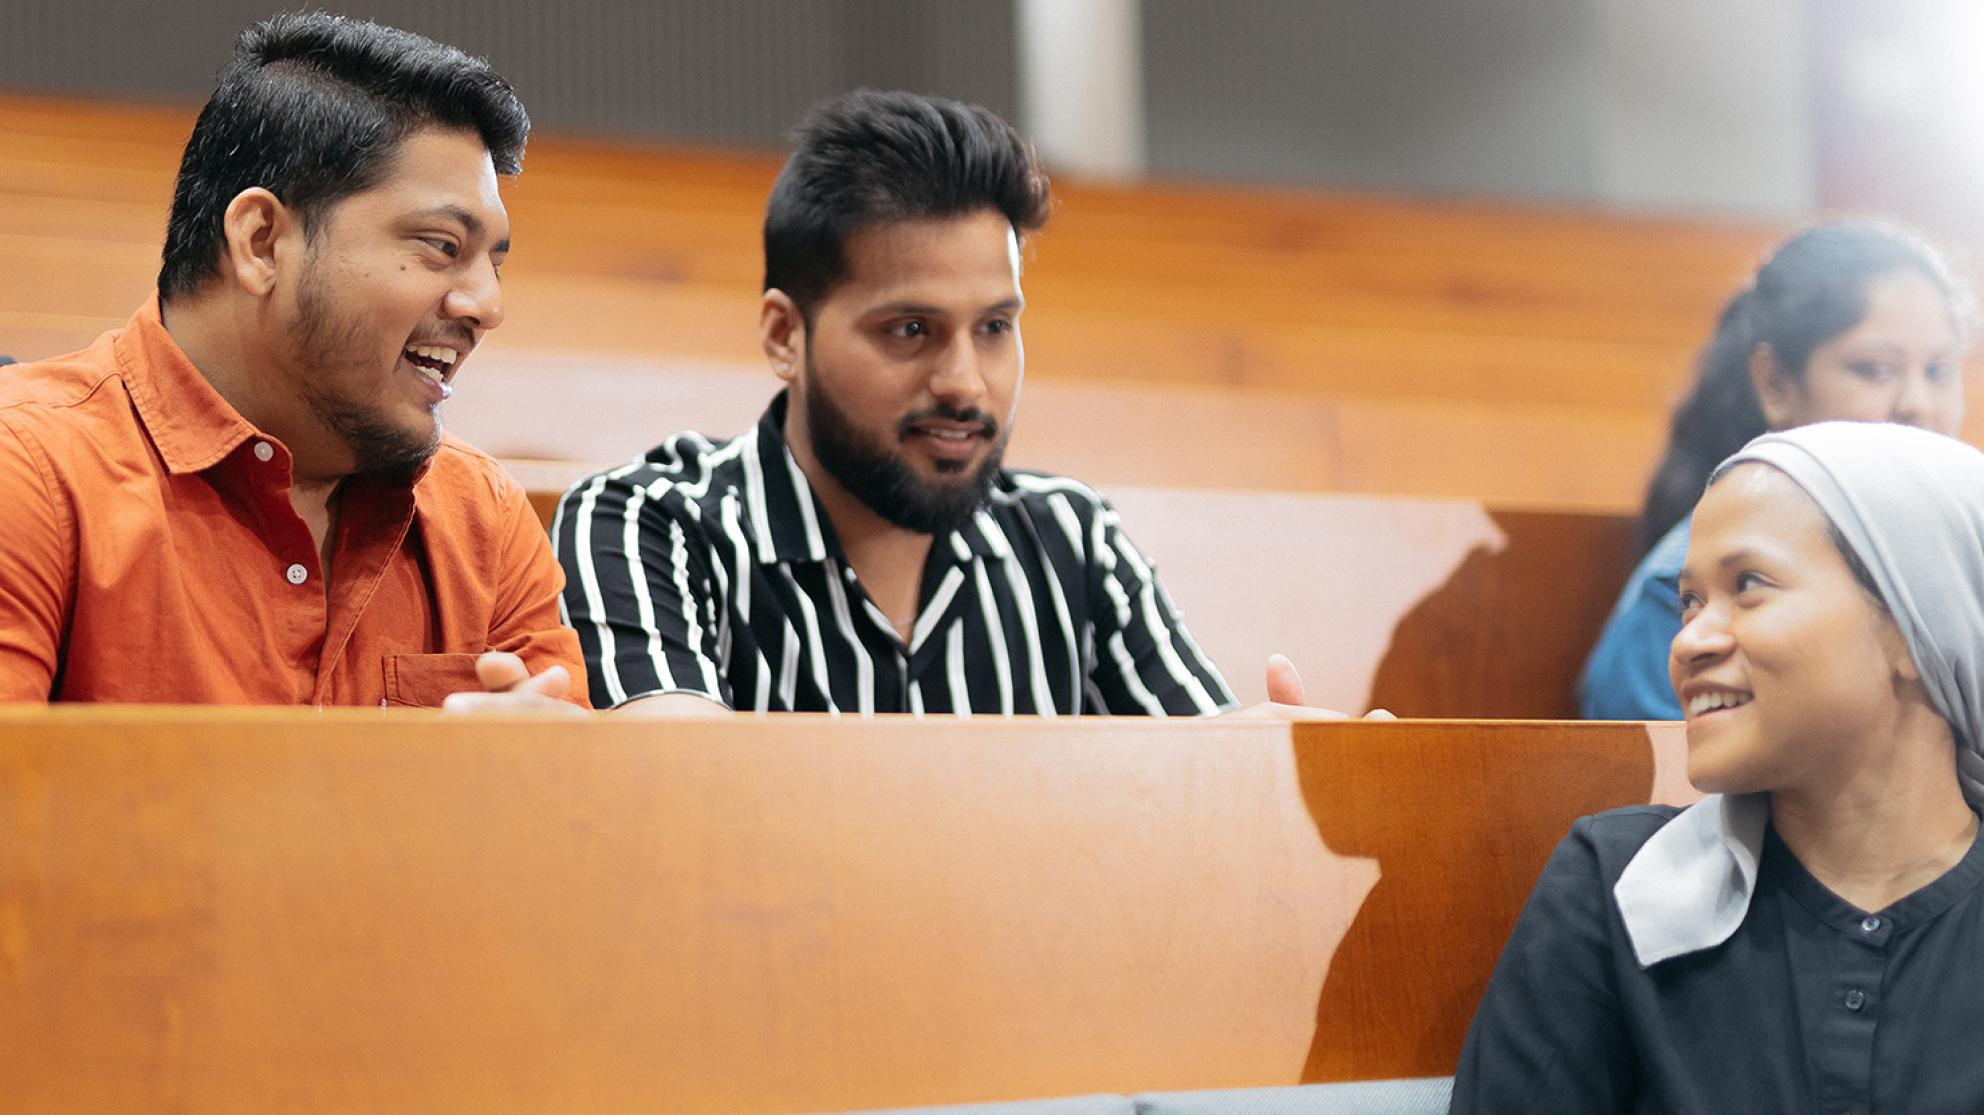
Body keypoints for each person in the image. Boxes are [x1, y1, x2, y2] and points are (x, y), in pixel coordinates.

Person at [555, 90, 1291, 716]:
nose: (966, 383)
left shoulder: (1072, 539)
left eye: (995, 327)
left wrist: (1306, 770)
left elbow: (1210, 773)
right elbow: (671, 799)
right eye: (911, 329)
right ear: (785, 335)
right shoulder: (647, 525)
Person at [0, 13, 584, 707]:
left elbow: (573, 804)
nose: (487, 305)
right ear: (262, 241)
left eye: (493, 262)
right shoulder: (27, 471)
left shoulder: (482, 518)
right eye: (441, 245)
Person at [1452, 421, 1984, 1112]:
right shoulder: (1614, 887)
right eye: (1691, 600)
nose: (1688, 641)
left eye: (1749, 584)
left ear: (1916, 630)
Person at [1580, 221, 1969, 719]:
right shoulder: (1672, 602)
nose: (1917, 404)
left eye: (1938, 371)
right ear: (1776, 385)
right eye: (1873, 369)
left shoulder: (1960, 556)